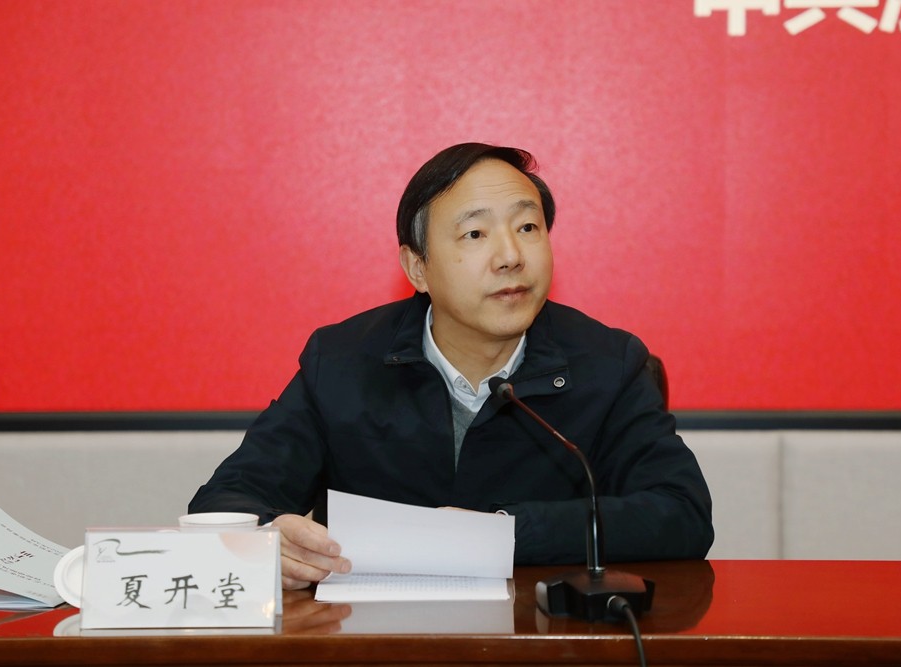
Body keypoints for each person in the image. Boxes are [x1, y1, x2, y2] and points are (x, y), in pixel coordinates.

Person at [189, 143, 713, 590]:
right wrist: (268, 538)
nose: (510, 256)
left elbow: (681, 514)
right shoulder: (343, 360)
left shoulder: (608, 363)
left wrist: (501, 534)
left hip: (543, 644)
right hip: (375, 648)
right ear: (417, 267)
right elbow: (224, 502)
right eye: (475, 234)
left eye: (528, 227)